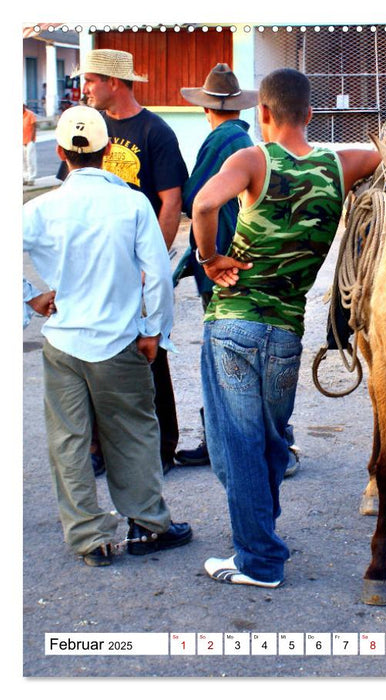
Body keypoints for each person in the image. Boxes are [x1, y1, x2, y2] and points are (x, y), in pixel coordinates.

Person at [192, 68, 382, 588]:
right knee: (271, 441)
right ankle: (262, 535)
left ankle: (258, 559)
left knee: (237, 443)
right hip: (286, 333)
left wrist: (209, 258)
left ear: (265, 115)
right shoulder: (338, 164)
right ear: (312, 115)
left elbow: (205, 203)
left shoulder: (254, 159)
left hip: (234, 324)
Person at [23, 106, 192, 567]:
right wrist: (154, 331)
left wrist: (30, 300)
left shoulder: (39, 209)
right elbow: (157, 275)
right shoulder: (133, 204)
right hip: (118, 341)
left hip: (62, 344)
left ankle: (89, 539)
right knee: (134, 431)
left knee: (69, 441)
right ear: (109, 151)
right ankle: (148, 526)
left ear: (60, 153)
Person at [71, 48, 189, 474]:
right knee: (94, 351)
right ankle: (100, 450)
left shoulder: (154, 130)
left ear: (113, 82)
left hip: (137, 264)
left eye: (90, 80)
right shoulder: (89, 128)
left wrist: (150, 262)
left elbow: (171, 199)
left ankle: (163, 448)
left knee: (150, 350)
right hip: (96, 263)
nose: (84, 89)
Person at [170, 63, 259, 469]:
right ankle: (251, 440)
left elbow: (195, 199)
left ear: (207, 109)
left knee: (220, 357)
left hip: (219, 261)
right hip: (245, 256)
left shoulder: (220, 140)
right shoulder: (247, 141)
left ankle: (220, 442)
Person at [23, 104, 38, 185]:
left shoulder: (30, 114)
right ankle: (25, 177)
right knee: (23, 160)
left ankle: (31, 178)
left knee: (30, 159)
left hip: (29, 141)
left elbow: (34, 127)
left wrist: (32, 139)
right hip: (21, 140)